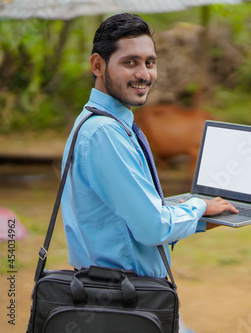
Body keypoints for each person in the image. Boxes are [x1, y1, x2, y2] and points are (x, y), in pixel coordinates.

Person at [60, 12, 238, 331]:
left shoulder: (104, 125)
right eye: (130, 62)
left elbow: (128, 220)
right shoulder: (105, 134)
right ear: (98, 65)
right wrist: (197, 206)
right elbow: (152, 228)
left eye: (150, 62)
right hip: (125, 306)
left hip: (130, 299)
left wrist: (199, 219)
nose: (144, 74)